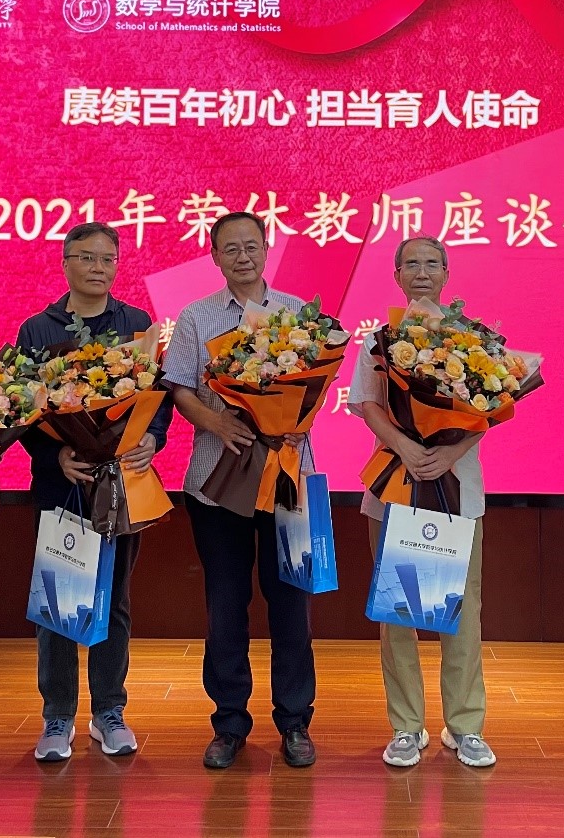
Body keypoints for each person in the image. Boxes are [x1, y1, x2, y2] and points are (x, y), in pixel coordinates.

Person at [163, 211, 317, 769]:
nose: (243, 256)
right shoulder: (196, 317)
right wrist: (216, 422)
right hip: (217, 480)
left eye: (251, 245)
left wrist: (296, 420)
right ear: (215, 256)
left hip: (286, 476)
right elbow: (178, 387)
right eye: (231, 248)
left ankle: (295, 721)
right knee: (226, 604)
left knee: (290, 602)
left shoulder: (298, 313)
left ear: (267, 247)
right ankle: (229, 723)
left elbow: (316, 387)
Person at [17, 222, 173, 762]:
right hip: (61, 486)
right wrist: (55, 454)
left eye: (108, 258)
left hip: (122, 483)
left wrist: (152, 439)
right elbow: (21, 407)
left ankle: (109, 710)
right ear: (65, 263)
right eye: (87, 257)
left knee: (115, 598)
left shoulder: (137, 324)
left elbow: (158, 396)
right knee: (57, 602)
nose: (98, 267)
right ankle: (57, 715)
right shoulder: (38, 328)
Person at [348, 236, 496, 768]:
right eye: (411, 263)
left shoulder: (474, 338)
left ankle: (465, 725)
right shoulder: (378, 340)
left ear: (447, 273)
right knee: (398, 610)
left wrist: (449, 451)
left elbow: (490, 407)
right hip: (395, 482)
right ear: (396, 275)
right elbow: (366, 404)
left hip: (458, 486)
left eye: (433, 263)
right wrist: (407, 447)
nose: (422, 272)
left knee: (464, 610)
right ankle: (406, 726)